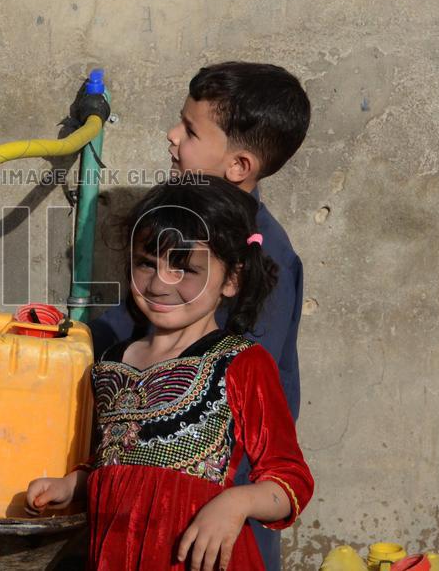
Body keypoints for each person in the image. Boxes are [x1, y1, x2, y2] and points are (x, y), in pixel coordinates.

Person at [27, 176, 313, 571]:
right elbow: (119, 461)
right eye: (147, 263)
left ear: (231, 279)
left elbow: (291, 480)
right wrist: (71, 486)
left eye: (184, 268)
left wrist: (236, 502)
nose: (160, 283)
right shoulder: (110, 364)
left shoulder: (241, 363)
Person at [90, 61, 310, 570]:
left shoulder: (265, 256)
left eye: (190, 131)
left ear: (238, 166)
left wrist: (232, 504)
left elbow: (241, 403)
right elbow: (126, 323)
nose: (172, 136)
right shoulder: (179, 229)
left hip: (215, 517)